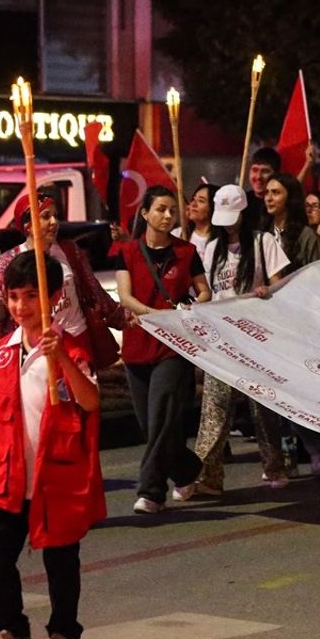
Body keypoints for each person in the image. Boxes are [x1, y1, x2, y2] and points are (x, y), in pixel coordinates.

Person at [0, 252, 103, 639]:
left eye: (31, 296)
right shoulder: (0, 352)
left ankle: (64, 631)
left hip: (56, 477)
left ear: (54, 297)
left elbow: (90, 401)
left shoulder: (71, 350)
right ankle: (12, 627)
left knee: (61, 560)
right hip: (8, 474)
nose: (20, 306)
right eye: (13, 296)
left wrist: (59, 356)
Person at [183, 185, 291, 498]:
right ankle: (209, 476)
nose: (228, 224)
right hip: (222, 339)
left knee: (262, 407)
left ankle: (275, 466)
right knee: (214, 408)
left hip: (256, 338)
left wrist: (267, 291)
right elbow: (206, 289)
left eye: (233, 217)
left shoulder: (263, 241)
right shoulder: (212, 247)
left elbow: (283, 278)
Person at [112, 187, 211, 514]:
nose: (168, 216)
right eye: (160, 210)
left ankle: (151, 492)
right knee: (153, 427)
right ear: (145, 214)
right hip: (137, 347)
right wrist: (157, 316)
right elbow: (125, 298)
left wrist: (189, 309)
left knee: (162, 418)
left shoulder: (186, 252)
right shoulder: (126, 251)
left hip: (173, 348)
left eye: (172, 211)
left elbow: (204, 291)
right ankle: (188, 470)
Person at [0, 192, 130, 372]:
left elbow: (94, 290)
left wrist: (123, 316)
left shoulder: (69, 251)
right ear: (27, 225)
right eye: (46, 216)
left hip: (76, 338)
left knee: (81, 395)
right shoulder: (9, 261)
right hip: (36, 344)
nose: (54, 222)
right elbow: (3, 312)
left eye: (55, 215)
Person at [261, 173, 320, 475]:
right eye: (266, 192)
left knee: (298, 393)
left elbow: (317, 279)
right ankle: (285, 456)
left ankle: (317, 444)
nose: (269, 197)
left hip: (298, 324)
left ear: (289, 197)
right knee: (273, 395)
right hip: (266, 324)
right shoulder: (260, 233)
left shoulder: (304, 236)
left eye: (276, 192)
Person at [176, 183, 216, 258]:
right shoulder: (177, 234)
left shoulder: (219, 242)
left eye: (201, 201)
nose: (193, 204)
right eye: (193, 199)